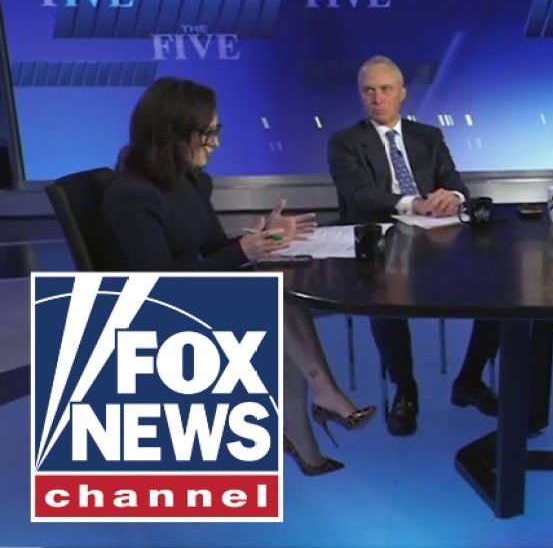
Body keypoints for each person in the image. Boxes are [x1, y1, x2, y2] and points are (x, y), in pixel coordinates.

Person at [102, 77, 375, 477]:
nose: (215, 143)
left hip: (193, 290)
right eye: (207, 133)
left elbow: (215, 247)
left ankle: (309, 428)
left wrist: (266, 237)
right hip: (150, 308)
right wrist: (244, 251)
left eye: (217, 131)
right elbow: (158, 284)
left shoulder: (192, 180)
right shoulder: (132, 194)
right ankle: (323, 399)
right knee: (273, 297)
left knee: (280, 288)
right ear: (173, 132)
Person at [328, 55, 498, 437]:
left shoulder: (428, 137)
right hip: (381, 245)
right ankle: (405, 390)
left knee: (500, 289)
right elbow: (359, 195)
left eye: (385, 89)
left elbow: (456, 184)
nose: (377, 98)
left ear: (402, 93)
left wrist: (452, 197)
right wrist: (412, 203)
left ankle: (470, 379)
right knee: (385, 296)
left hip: (437, 242)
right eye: (369, 90)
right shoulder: (345, 142)